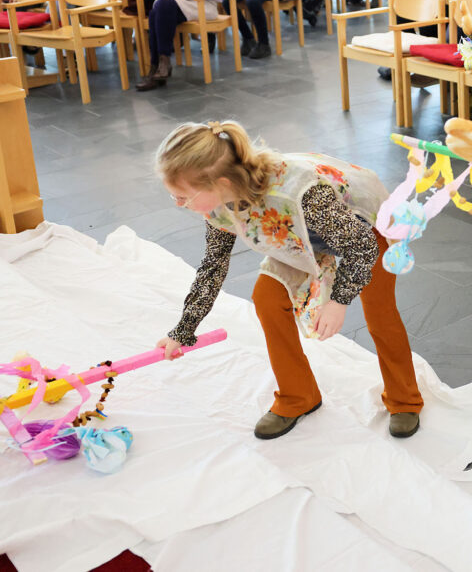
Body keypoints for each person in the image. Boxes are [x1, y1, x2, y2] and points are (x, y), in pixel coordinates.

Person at [155, 120, 424, 440]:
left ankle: (404, 398)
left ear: (220, 182)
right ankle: (298, 396)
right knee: (267, 298)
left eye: (182, 197)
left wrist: (338, 302)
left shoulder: (301, 194)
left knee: (379, 311)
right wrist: (183, 330)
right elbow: (213, 267)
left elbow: (361, 248)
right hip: (295, 232)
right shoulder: (219, 204)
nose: (178, 205)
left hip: (360, 226)